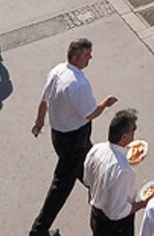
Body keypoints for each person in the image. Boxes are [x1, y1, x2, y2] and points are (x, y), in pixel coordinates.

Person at [29, 38, 119, 236]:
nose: (91, 58)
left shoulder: (57, 71)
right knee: (61, 187)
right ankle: (38, 230)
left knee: (93, 174)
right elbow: (90, 113)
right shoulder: (78, 84)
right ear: (76, 58)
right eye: (87, 55)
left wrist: (39, 121)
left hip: (60, 136)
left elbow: (44, 100)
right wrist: (105, 104)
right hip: (74, 140)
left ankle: (105, 204)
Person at [83, 109, 152, 236]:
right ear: (124, 137)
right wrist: (143, 203)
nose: (135, 132)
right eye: (133, 130)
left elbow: (87, 180)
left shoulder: (96, 150)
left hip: (96, 216)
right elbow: (116, 212)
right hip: (115, 228)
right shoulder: (123, 171)